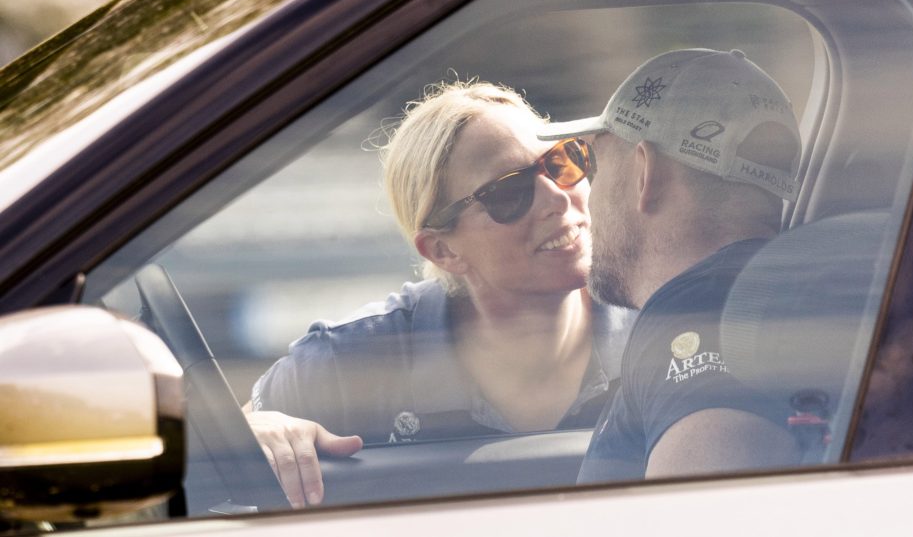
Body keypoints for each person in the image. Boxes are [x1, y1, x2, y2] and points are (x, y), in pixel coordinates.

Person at [244, 80, 636, 506]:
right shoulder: (355, 359)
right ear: (443, 250)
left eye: (562, 162)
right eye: (508, 193)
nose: (558, 199)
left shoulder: (663, 325)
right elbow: (219, 444)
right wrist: (259, 432)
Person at [537, 48, 804, 483]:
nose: (587, 193)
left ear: (646, 173)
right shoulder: (760, 297)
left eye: (596, 164)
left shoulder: (698, 315)